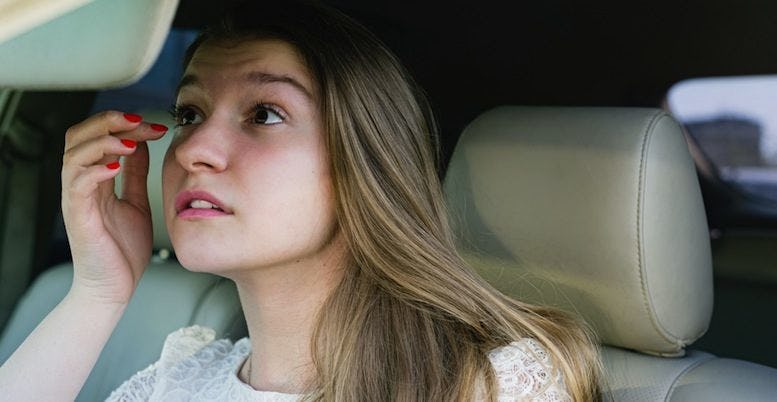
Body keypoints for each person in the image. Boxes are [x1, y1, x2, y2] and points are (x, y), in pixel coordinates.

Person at [0, 1, 602, 400]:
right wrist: (98, 292)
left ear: (364, 164)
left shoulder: (488, 387)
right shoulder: (179, 383)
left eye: (264, 114)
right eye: (189, 114)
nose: (194, 150)